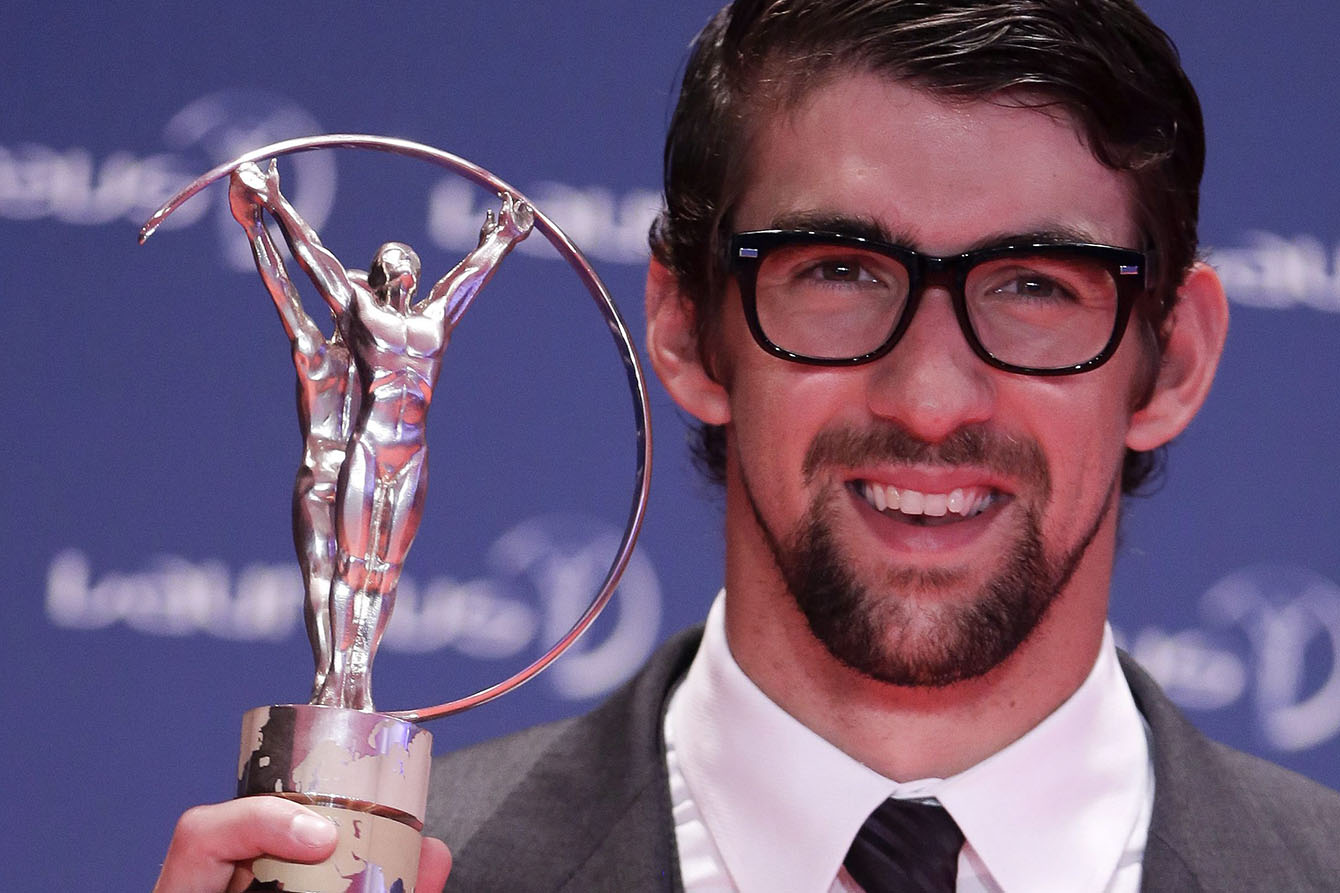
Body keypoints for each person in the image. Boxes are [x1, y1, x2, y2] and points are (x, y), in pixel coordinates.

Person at [153, 1, 1340, 891]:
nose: (930, 400)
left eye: (1034, 283)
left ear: (1171, 359)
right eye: (838, 272)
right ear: (683, 326)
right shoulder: (411, 871)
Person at [236, 160, 535, 711]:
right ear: (377, 275)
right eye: (392, 255)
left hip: (412, 456)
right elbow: (313, 262)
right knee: (350, 568)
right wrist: (274, 206)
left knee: (385, 573)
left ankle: (360, 680)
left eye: (409, 256)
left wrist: (503, 239)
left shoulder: (432, 321)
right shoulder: (362, 317)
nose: (403, 258)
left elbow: (469, 277)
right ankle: (334, 679)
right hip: (370, 448)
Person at [228, 161, 360, 700]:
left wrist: (254, 226)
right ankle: (330, 675)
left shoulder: (346, 358)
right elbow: (283, 289)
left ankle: (340, 678)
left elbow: (285, 287)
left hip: (344, 481)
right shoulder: (330, 356)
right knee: (330, 580)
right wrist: (255, 225)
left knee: (340, 580)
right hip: (335, 480)